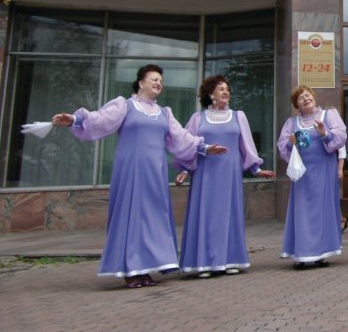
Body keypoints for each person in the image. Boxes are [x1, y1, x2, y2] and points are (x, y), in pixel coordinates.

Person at [50, 64, 226, 289]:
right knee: (131, 217)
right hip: (131, 170)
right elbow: (99, 119)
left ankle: (146, 266)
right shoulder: (125, 105)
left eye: (161, 80)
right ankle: (131, 268)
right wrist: (74, 120)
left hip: (155, 173)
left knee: (153, 218)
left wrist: (204, 147)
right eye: (153, 79)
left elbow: (181, 137)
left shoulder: (164, 113)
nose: (158, 83)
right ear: (140, 82)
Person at [174, 75, 274, 278]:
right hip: (205, 175)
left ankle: (230, 260)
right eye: (221, 88)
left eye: (227, 88)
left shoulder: (238, 116)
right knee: (205, 215)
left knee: (229, 215)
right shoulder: (197, 119)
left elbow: (246, 145)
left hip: (229, 176)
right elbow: (187, 144)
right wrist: (185, 170)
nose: (226, 92)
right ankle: (204, 263)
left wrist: (256, 169)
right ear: (210, 94)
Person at [278, 85, 347, 268]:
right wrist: (290, 144)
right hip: (302, 175)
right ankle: (301, 255)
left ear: (313, 97)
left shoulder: (329, 116)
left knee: (322, 211)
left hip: (324, 171)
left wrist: (325, 133)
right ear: (297, 105)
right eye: (301, 98)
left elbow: (341, 137)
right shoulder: (291, 123)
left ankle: (321, 253)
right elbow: (282, 147)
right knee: (301, 213)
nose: (306, 98)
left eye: (307, 95)